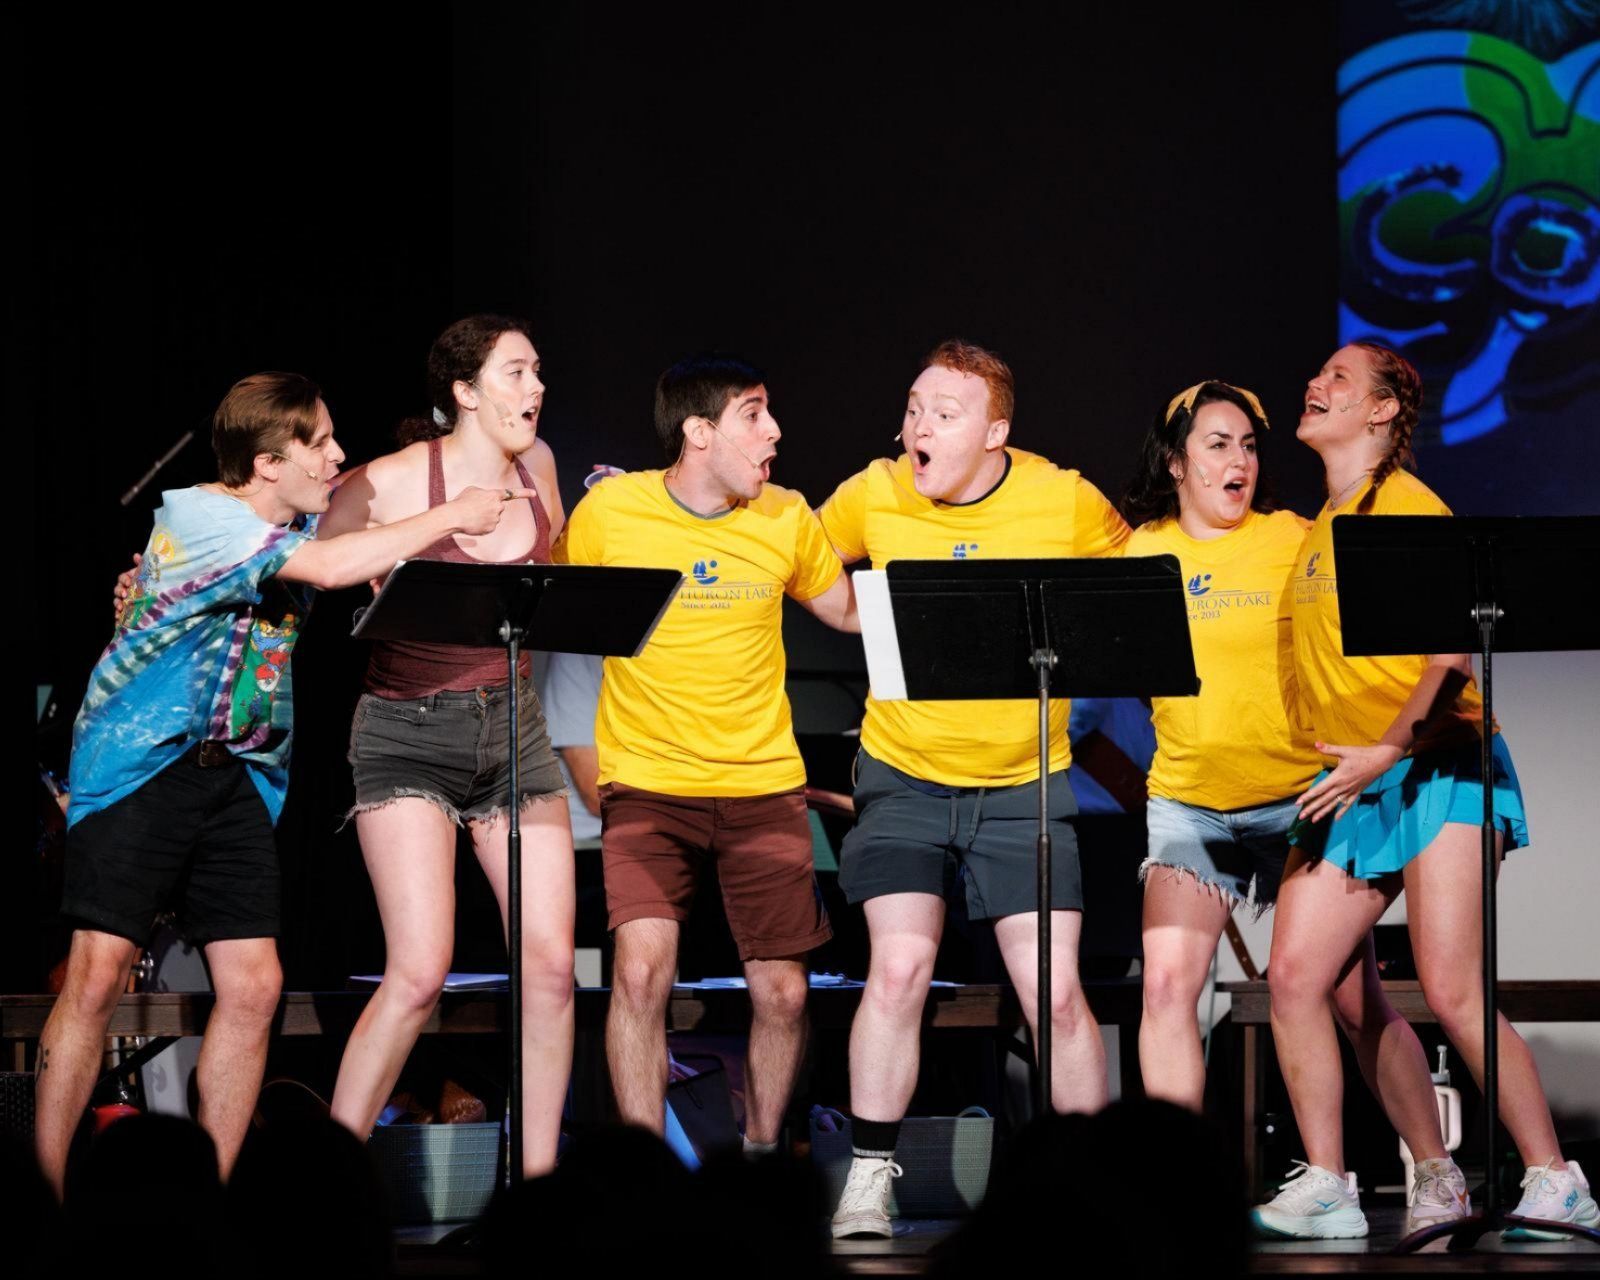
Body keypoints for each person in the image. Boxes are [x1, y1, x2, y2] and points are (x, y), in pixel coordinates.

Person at [36, 372, 523, 1196]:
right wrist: (450, 514)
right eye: (319, 442)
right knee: (96, 973)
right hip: (142, 766)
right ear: (267, 462)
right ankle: (45, 1196)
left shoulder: (293, 522)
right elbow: (328, 568)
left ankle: (215, 1199)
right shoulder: (202, 516)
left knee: (256, 986)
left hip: (236, 775)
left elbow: (351, 539)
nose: (337, 454)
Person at [1254, 341, 1597, 1240]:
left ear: (1381, 411)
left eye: (1338, 378)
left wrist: (1387, 749)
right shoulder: (1319, 528)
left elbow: (1451, 658)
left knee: (1450, 986)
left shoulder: (1408, 506)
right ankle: (1354, 1182)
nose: (1314, 383)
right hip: (1356, 776)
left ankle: (1555, 1177)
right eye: (1316, 372)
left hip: (1438, 762)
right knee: (1304, 980)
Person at [1125, 380, 1466, 1237]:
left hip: (1304, 798)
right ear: (1176, 463)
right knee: (1166, 985)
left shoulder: (1297, 538)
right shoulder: (1139, 552)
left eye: (1248, 445)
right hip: (1192, 806)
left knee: (1351, 1001)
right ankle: (1177, 1194)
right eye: (1217, 444)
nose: (1238, 460)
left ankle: (1435, 1169)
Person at [817, 339, 1129, 1239]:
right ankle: (870, 1176)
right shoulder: (875, 491)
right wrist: (864, 619)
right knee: (899, 969)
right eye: (913, 407)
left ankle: (1086, 1186)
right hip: (904, 775)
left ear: (996, 432)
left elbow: (1138, 578)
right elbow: (798, 557)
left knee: (1055, 994)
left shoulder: (1062, 498)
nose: (918, 425)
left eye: (944, 413)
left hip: (1023, 785)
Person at [554, 353, 855, 1151]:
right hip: (648, 786)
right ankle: (643, 1170)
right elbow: (549, 591)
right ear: (697, 432)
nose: (775, 431)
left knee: (785, 994)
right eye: (753, 414)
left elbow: (848, 612)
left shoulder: (786, 515)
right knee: (639, 976)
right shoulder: (613, 510)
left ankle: (760, 1161)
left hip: (764, 789)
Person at [320, 315, 576, 1177]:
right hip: (407, 732)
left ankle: (537, 1188)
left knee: (550, 969)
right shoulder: (390, 479)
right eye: (516, 373)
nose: (536, 389)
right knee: (420, 971)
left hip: (514, 730)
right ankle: (328, 1179)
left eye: (537, 371)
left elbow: (551, 578)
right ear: (464, 392)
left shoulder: (540, 467)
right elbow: (302, 562)